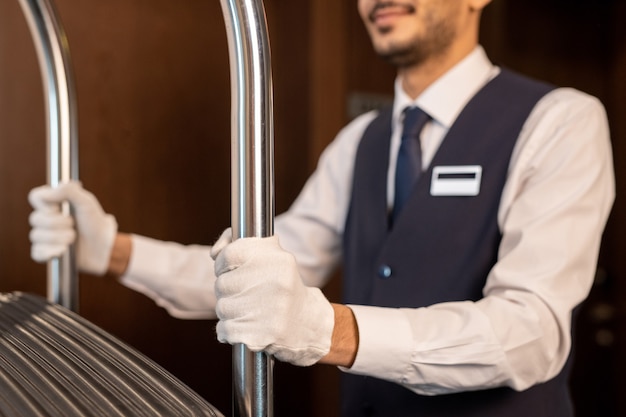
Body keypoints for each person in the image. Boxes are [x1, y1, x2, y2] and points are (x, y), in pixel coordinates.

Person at [28, 0, 615, 416]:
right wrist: (111, 251)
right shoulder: (360, 139)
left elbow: (531, 331)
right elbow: (261, 278)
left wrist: (326, 330)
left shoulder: (560, 119)